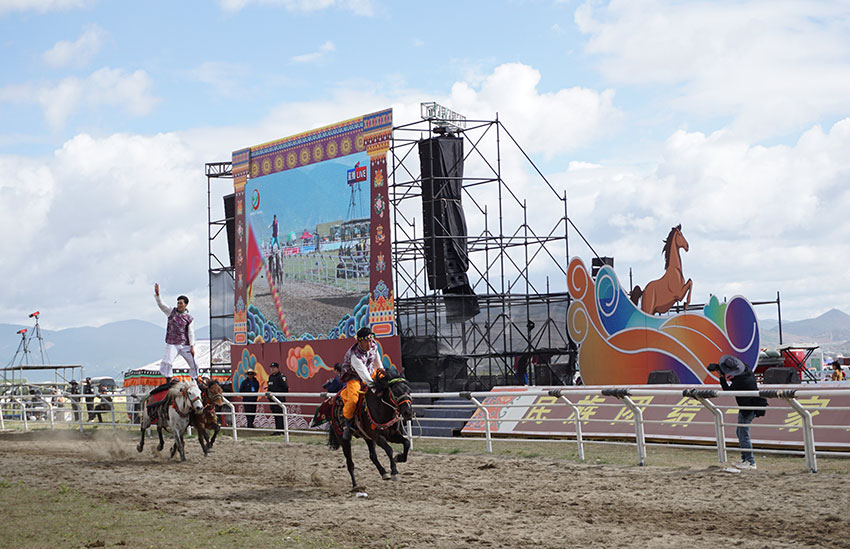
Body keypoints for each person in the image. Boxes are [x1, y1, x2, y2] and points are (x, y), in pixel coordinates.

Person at [715, 355, 767, 470]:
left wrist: (721, 377)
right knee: (740, 432)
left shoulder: (740, 381)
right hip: (749, 405)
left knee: (743, 434)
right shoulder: (746, 369)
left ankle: (750, 462)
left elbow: (727, 391)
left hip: (749, 407)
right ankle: (745, 459)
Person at [339, 327, 381, 441]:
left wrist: (382, 374)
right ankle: (348, 423)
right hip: (354, 376)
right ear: (359, 342)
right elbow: (364, 376)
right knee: (353, 399)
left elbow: (378, 363)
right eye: (366, 341)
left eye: (370, 341)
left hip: (369, 371)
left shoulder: (374, 345)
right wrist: (375, 390)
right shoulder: (354, 356)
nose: (369, 344)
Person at [153, 283, 199, 385]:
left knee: (194, 363)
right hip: (172, 343)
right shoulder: (171, 312)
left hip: (185, 344)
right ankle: (168, 380)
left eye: (181, 303)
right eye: (178, 303)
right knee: (167, 361)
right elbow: (161, 305)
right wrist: (158, 295)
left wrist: (192, 346)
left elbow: (191, 332)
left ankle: (195, 380)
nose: (179, 305)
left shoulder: (189, 318)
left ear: (186, 305)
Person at [266, 362, 289, 434]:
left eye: (274, 368)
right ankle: (277, 430)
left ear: (277, 368)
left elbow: (285, 388)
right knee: (276, 415)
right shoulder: (271, 377)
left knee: (280, 415)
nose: (272, 369)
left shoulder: (281, 376)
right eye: (271, 368)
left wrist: (280, 395)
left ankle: (282, 430)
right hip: (272, 400)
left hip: (279, 399)